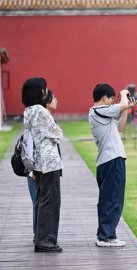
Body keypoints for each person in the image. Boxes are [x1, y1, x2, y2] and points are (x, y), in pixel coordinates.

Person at [89, 83, 135, 247]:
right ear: (104, 98)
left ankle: (107, 234)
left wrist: (126, 109)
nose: (112, 103)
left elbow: (120, 127)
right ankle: (105, 236)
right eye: (111, 99)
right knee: (111, 199)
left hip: (111, 160)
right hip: (111, 160)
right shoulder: (98, 110)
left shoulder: (102, 115)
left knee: (112, 198)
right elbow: (120, 104)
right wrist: (123, 93)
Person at [22, 77, 63, 253]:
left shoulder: (29, 111)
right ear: (40, 92)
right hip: (49, 163)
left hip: (38, 162)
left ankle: (41, 238)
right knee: (51, 202)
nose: (46, 92)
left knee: (42, 201)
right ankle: (46, 242)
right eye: (44, 89)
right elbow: (57, 133)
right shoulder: (41, 111)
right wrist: (56, 130)